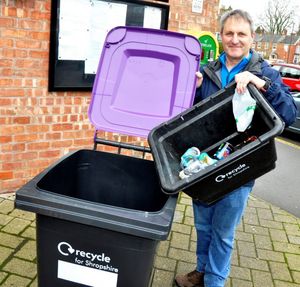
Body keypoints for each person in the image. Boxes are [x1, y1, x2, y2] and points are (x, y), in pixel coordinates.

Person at [175, 9, 297, 287]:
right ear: (220, 37)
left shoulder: (264, 72)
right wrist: (192, 90)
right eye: (229, 33)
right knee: (204, 226)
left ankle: (214, 282)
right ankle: (201, 271)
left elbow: (288, 114)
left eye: (241, 34)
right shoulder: (207, 71)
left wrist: (260, 84)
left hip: (243, 165)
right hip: (204, 164)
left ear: (252, 38)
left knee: (223, 233)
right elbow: (192, 118)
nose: (235, 39)